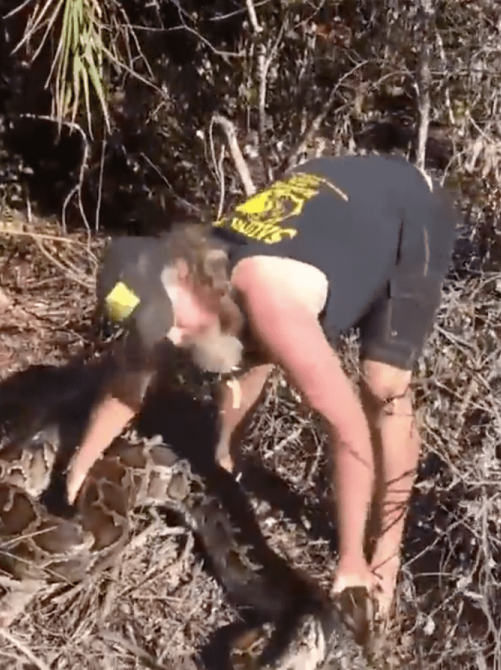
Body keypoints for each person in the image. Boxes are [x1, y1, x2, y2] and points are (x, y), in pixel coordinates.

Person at [62, 153, 460, 622]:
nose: (169, 338)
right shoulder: (177, 283)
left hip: (407, 209)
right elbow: (129, 383)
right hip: (332, 199)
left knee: (383, 387)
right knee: (235, 341)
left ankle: (386, 559)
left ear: (186, 276)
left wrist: (351, 558)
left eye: (167, 320)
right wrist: (73, 479)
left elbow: (348, 429)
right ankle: (227, 460)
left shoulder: (270, 298)